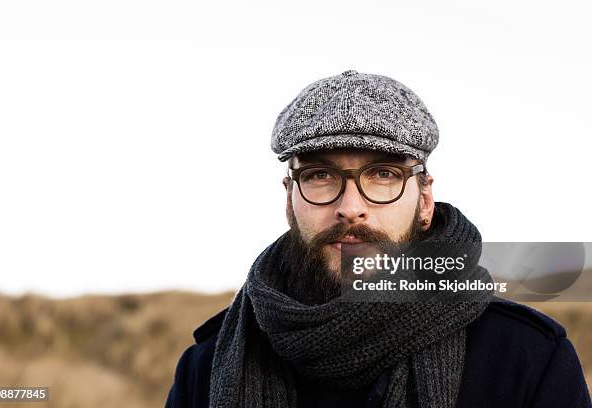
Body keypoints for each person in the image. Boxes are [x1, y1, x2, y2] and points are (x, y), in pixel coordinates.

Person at [165, 70, 591, 407]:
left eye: (383, 175)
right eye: (319, 176)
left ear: (425, 201)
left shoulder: (526, 357)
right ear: (290, 200)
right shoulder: (209, 367)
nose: (350, 207)